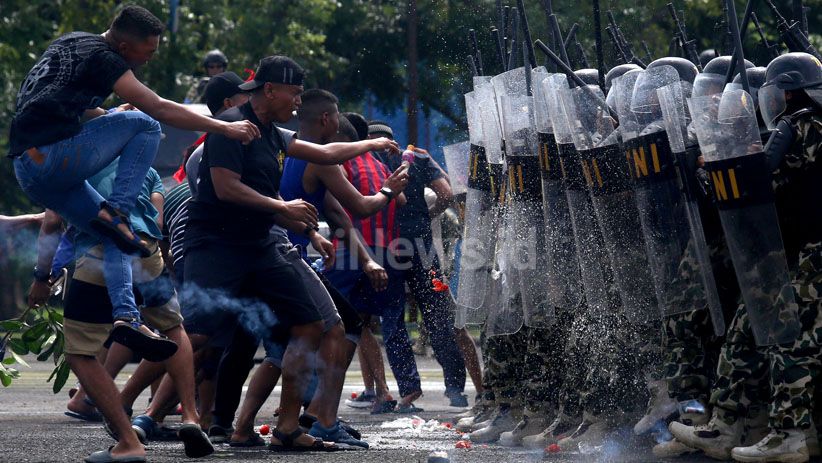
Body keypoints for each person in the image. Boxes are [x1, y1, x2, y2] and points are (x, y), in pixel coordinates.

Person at [144, 55, 398, 452]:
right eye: (294, 92)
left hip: (259, 244)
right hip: (216, 242)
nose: (298, 101)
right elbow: (226, 187)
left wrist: (374, 142)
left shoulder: (274, 133)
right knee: (200, 333)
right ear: (270, 90)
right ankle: (142, 413)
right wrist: (283, 209)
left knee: (309, 324)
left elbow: (326, 154)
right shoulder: (229, 125)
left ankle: (288, 427)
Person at [10, 5, 260, 367]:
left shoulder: (72, 44)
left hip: (29, 167)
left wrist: (111, 117)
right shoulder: (107, 59)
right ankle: (120, 209)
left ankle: (127, 317)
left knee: (115, 235)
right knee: (145, 124)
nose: (150, 58)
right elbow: (157, 107)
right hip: (50, 156)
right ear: (126, 47)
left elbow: (62, 108)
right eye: (150, 50)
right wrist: (225, 128)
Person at [671, 52, 822, 463]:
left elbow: (761, 178)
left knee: (791, 343)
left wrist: (715, 166)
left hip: (809, 258)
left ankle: (789, 432)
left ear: (787, 93)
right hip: (791, 253)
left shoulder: (803, 126)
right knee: (748, 334)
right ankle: (740, 424)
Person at [369, 120, 469, 407]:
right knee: (439, 316)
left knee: (393, 318)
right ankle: (455, 390)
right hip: (424, 250)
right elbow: (447, 194)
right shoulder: (419, 157)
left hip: (386, 250)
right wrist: (428, 216)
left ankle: (409, 389)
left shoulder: (368, 159)